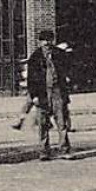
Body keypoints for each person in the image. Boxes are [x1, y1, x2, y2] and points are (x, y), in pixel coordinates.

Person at [24, 30, 73, 160]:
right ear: (40, 42)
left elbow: (69, 70)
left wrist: (67, 83)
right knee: (43, 123)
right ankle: (44, 151)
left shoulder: (60, 54)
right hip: (42, 92)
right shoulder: (35, 57)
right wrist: (34, 95)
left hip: (58, 91)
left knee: (61, 122)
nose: (46, 43)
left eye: (49, 40)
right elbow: (31, 79)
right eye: (43, 40)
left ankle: (64, 149)